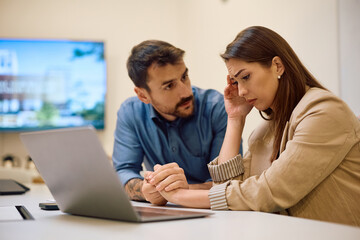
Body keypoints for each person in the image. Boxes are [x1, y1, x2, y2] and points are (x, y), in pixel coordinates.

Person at [146, 26, 360, 226]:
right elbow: (226, 192)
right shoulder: (265, 131)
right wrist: (235, 119)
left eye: (246, 77)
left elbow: (271, 191)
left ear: (277, 65)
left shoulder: (323, 111)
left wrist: (182, 196)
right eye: (236, 82)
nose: (240, 92)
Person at [112, 40, 242, 205]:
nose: (186, 92)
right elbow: (123, 172)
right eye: (169, 86)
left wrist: (174, 192)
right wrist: (146, 191)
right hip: (162, 213)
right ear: (143, 95)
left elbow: (227, 184)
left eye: (184, 77)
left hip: (214, 211)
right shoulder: (130, 112)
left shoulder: (217, 108)